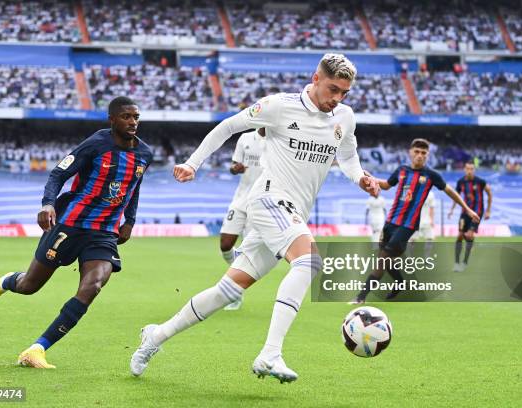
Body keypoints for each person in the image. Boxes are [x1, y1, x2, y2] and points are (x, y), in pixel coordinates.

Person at [130, 54, 379, 383]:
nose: (337, 98)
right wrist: (193, 163)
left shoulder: (344, 117)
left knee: (228, 290)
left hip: (291, 212)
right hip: (267, 199)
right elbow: (228, 126)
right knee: (309, 262)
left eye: (344, 93)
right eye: (333, 89)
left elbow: (347, 157)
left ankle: (155, 336)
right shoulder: (279, 106)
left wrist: (360, 177)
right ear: (316, 78)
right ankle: (270, 353)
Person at [0, 97, 153, 368]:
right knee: (29, 286)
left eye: (136, 117)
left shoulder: (145, 153)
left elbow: (134, 187)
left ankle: (37, 349)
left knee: (93, 286)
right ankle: (7, 281)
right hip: (71, 225)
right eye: (126, 117)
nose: (133, 122)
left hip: (104, 232)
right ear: (112, 119)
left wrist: (129, 220)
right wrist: (48, 204)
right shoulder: (96, 144)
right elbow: (58, 174)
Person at [351, 138, 480, 304]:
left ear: (427, 156)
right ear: (410, 153)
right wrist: (373, 178)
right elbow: (386, 185)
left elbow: (450, 191)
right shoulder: (401, 170)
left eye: (423, 153)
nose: (420, 155)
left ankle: (360, 297)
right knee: (387, 261)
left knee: (383, 259)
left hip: (408, 226)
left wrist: (467, 209)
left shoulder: (431, 175)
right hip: (390, 222)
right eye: (417, 152)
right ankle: (400, 282)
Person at [220, 127, 266, 311]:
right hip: (241, 198)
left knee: (247, 250)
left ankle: (235, 293)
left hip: (261, 202)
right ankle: (237, 278)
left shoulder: (279, 139)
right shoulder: (246, 138)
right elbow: (233, 167)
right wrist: (235, 169)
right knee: (225, 244)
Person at [448, 162, 492, 272]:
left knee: (469, 234)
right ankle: (457, 263)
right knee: (460, 236)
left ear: (474, 170)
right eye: (467, 168)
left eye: (472, 169)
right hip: (465, 212)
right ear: (464, 169)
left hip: (477, 213)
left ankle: (464, 262)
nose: (469, 171)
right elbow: (456, 197)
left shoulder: (480, 182)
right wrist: (452, 210)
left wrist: (488, 211)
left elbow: (489, 193)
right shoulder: (461, 182)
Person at [407, 191, 436, 257]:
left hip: (427, 221)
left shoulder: (431, 194)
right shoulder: (415, 191)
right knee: (411, 240)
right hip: (415, 221)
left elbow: (432, 208)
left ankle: (427, 257)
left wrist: (432, 220)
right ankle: (409, 257)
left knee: (430, 238)